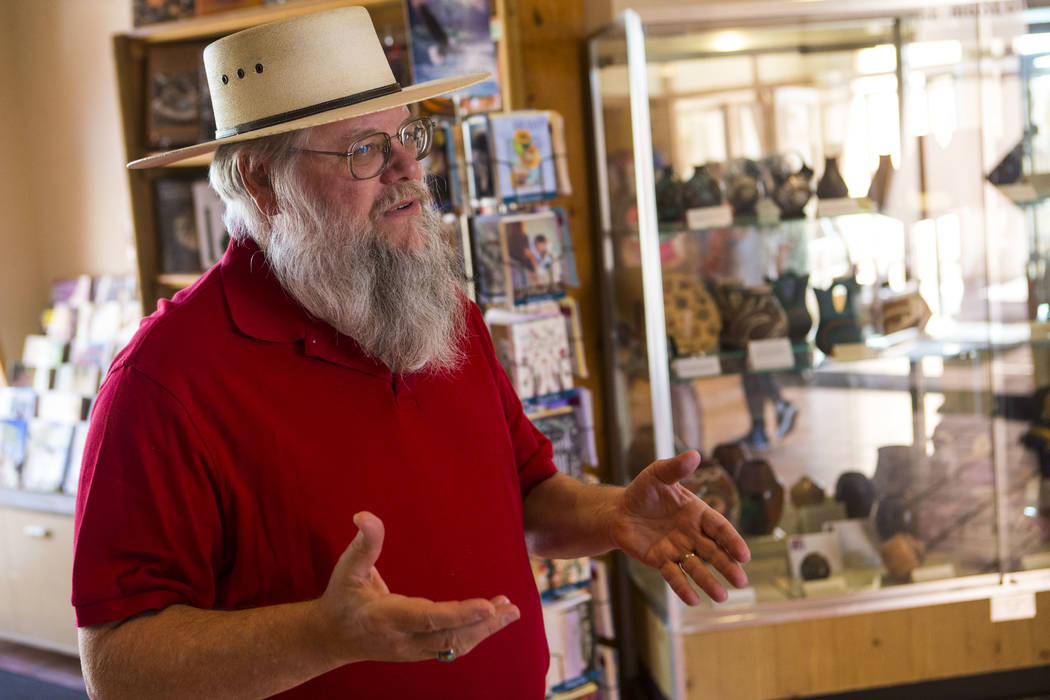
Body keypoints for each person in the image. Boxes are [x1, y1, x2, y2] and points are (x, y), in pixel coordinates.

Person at [72, 7, 750, 699]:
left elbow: (526, 493)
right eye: (365, 150)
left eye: (407, 136)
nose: (408, 170)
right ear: (262, 183)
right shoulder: (164, 381)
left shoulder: (442, 311)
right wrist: (321, 637)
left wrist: (611, 514)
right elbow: (117, 667)